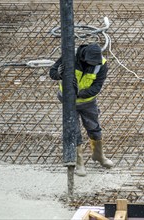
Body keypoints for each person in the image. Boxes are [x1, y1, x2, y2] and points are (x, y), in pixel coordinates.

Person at [49, 43, 114, 176]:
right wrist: (59, 74)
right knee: (74, 130)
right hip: (68, 102)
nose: (92, 65)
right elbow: (52, 72)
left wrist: (79, 93)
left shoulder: (101, 64)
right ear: (83, 56)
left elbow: (97, 86)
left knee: (94, 127)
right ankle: (79, 162)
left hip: (87, 102)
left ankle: (98, 155)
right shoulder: (69, 56)